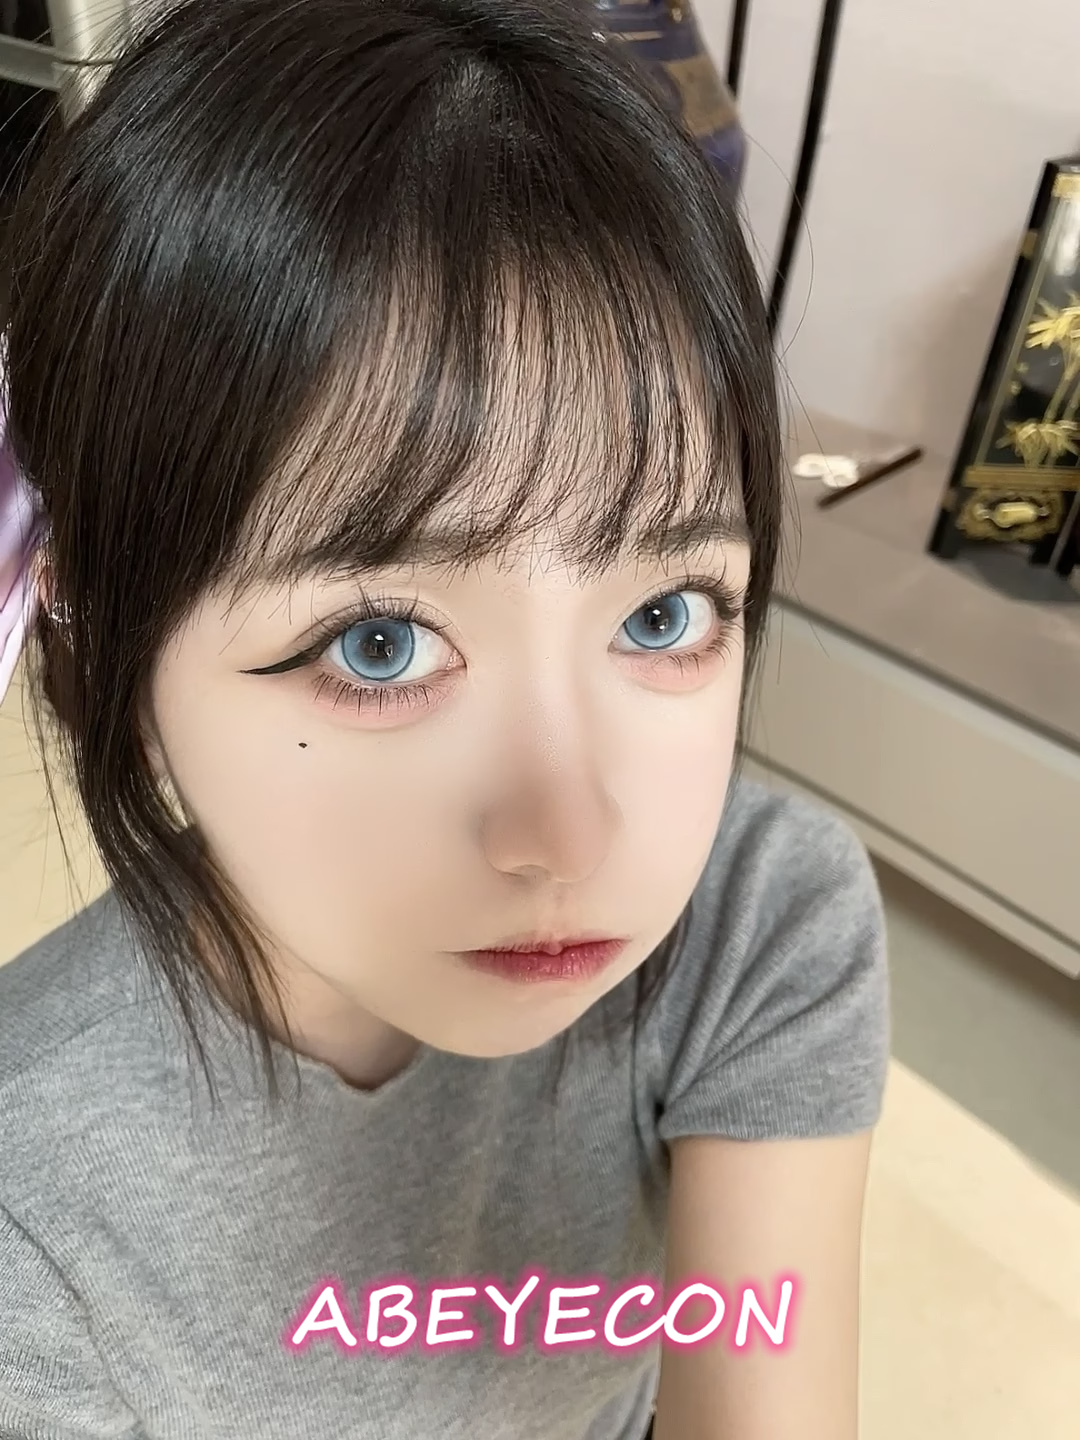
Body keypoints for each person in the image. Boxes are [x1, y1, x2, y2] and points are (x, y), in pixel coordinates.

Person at [0, 1, 889, 1436]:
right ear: (99, 629)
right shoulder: (30, 1225)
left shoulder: (757, 919)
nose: (571, 837)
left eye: (665, 615)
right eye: (381, 643)